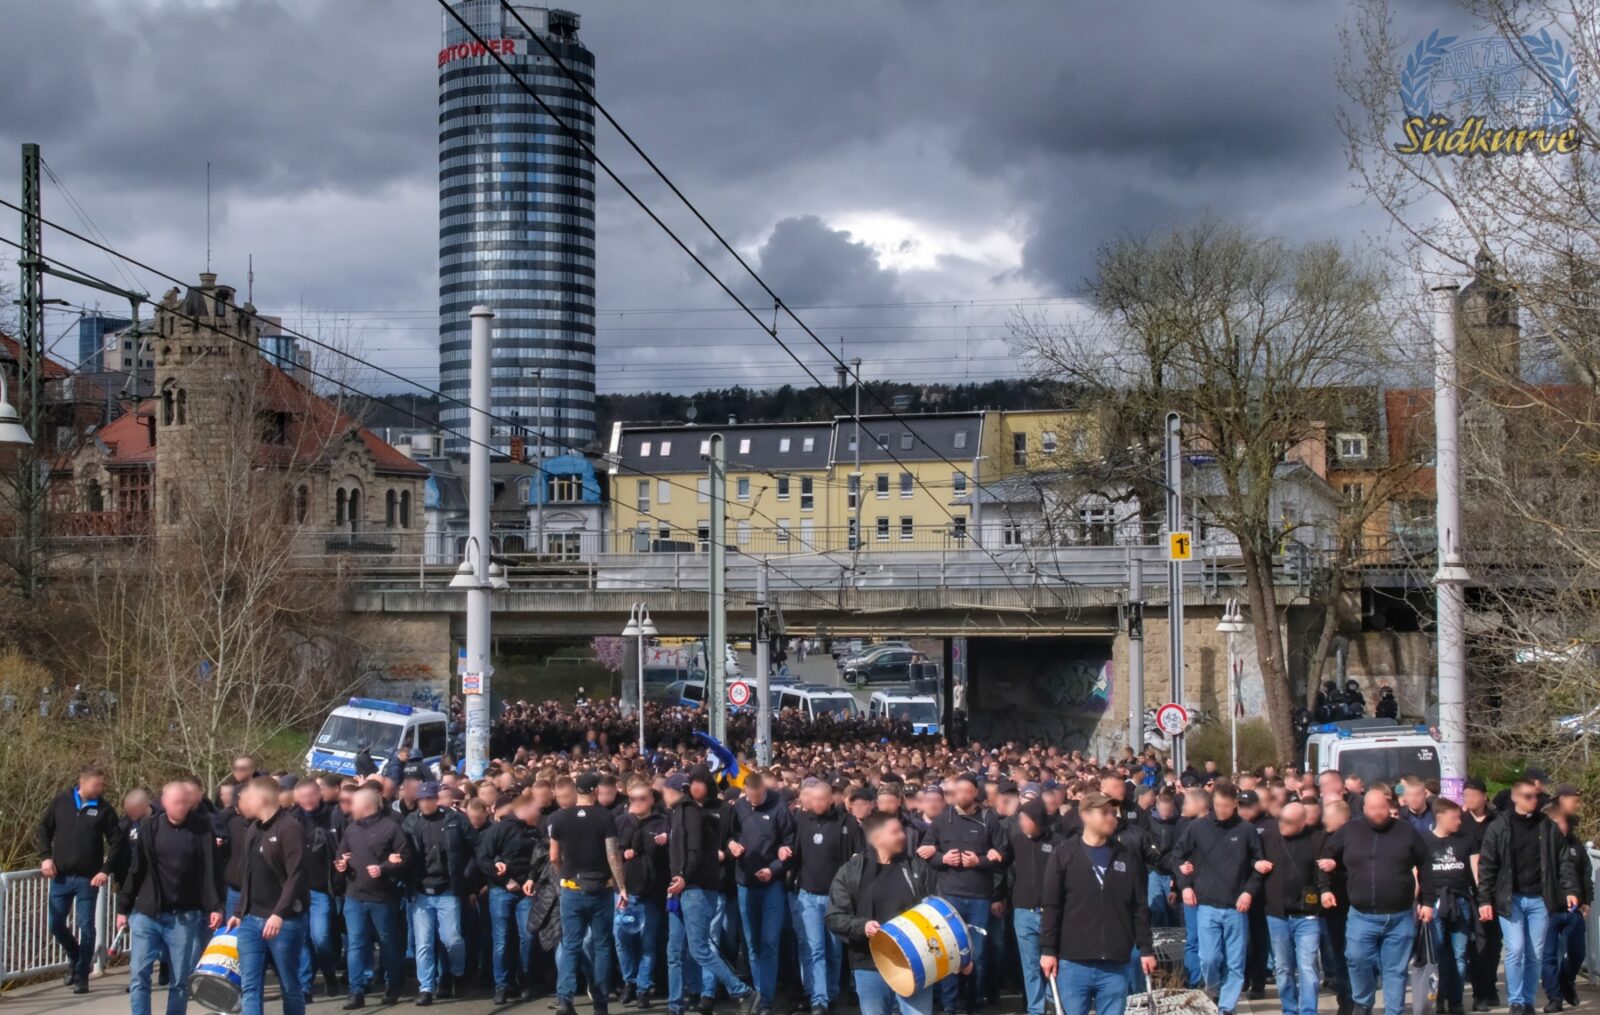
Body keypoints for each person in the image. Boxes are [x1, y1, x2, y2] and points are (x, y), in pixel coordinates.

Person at [1319, 787, 1434, 1015]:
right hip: (1362, 916)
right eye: (1373, 808)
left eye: (1382, 808)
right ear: (1364, 809)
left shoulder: (1407, 832)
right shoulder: (1350, 831)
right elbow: (1325, 858)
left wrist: (1428, 901)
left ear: (1388, 806)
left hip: (1399, 916)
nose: (1378, 813)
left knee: (1396, 970)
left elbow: (1426, 867)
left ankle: (1394, 1011)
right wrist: (1324, 888)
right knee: (1357, 959)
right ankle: (1363, 1003)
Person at [1039, 792, 1156, 1015]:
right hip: (1073, 962)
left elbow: (1139, 906)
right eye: (1104, 813)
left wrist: (1146, 949)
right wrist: (1047, 950)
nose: (1112, 818)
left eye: (1113, 813)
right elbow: (1051, 906)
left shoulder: (1126, 856)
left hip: (1115, 964)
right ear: (1085, 815)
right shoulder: (1064, 854)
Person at [117, 780, 223, 1015]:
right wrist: (123, 908)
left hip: (183, 916)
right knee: (139, 975)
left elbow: (211, 870)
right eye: (176, 803)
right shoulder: (149, 827)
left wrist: (215, 906)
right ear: (164, 803)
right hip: (148, 913)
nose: (181, 807)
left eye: (185, 803)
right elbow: (137, 869)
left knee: (179, 981)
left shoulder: (202, 829)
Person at [824, 810, 944, 1015]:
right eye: (895, 832)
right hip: (869, 964)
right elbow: (834, 917)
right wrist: (862, 926)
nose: (902, 836)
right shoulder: (852, 871)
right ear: (878, 838)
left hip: (915, 962)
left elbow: (937, 910)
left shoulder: (917, 867)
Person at [1479, 777, 1579, 1015]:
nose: (1534, 800)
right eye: (1528, 796)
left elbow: (1563, 860)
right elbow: (1487, 866)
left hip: (1539, 899)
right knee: (1515, 949)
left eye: (1535, 796)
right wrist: (1484, 900)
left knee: (1535, 953)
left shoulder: (1547, 826)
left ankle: (1526, 1001)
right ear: (1514, 798)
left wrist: (1571, 890)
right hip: (1510, 898)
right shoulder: (1499, 827)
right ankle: (1514, 1000)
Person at [670, 768, 759, 1015]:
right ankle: (690, 993)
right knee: (682, 947)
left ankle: (717, 993)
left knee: (706, 944)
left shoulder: (723, 810)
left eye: (700, 783)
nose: (696, 788)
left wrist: (727, 850)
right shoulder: (681, 812)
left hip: (711, 884)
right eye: (692, 784)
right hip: (685, 886)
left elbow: (730, 839)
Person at [925, 773, 1010, 1015]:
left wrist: (980, 861)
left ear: (975, 793)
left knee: (978, 953)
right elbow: (928, 852)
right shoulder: (943, 819)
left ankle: (974, 999)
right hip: (949, 895)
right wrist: (943, 858)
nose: (961, 795)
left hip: (979, 897)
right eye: (957, 791)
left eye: (966, 791)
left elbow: (1002, 852)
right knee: (950, 951)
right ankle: (949, 1003)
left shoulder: (988, 819)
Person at [1174, 781, 1262, 1015]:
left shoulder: (1246, 830)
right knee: (1209, 958)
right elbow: (1177, 856)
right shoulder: (1198, 827)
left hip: (1236, 906)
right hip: (1206, 904)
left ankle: (1226, 1007)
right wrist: (1185, 886)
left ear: (1235, 805)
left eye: (1227, 806)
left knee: (1235, 962)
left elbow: (1257, 865)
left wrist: (1248, 891)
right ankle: (1213, 990)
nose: (1222, 810)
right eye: (1218, 805)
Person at [36, 762, 125, 994]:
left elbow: (117, 841)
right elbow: (43, 829)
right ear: (83, 782)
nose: (100, 788)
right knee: (55, 924)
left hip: (88, 879)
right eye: (97, 784)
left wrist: (105, 870)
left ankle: (82, 974)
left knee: (86, 926)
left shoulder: (104, 809)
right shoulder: (61, 802)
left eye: (101, 784)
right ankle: (76, 958)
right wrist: (46, 857)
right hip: (61, 877)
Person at [230, 775, 310, 1015]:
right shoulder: (253, 829)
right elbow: (248, 874)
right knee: (250, 986)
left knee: (289, 984)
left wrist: (279, 913)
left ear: (261, 798)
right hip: (250, 920)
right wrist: (239, 911)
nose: (242, 803)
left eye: (246, 797)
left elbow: (296, 876)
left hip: (283, 922)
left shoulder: (290, 828)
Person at [549, 771, 627, 1015]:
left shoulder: (559, 818)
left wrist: (564, 875)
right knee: (602, 945)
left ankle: (565, 999)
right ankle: (600, 1002)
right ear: (595, 791)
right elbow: (613, 854)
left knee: (571, 945)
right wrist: (621, 886)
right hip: (600, 889)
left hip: (572, 888)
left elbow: (553, 856)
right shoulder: (605, 817)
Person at [336, 784, 412, 1009]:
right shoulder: (351, 829)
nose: (350, 808)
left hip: (382, 898)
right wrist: (341, 864)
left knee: (388, 943)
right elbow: (341, 854)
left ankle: (393, 985)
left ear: (366, 805)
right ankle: (356, 991)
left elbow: (406, 856)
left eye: (354, 803)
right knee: (356, 944)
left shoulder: (391, 827)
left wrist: (385, 868)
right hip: (354, 896)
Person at [790, 777, 861, 1015]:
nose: (817, 804)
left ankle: (831, 993)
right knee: (814, 948)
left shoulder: (847, 823)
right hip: (808, 895)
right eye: (814, 799)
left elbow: (857, 858)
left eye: (822, 799)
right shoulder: (802, 819)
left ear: (831, 798)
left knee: (833, 949)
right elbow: (796, 854)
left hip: (836, 899)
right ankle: (817, 998)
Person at [402, 780, 475, 1006]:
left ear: (436, 799)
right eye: (422, 800)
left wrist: (465, 875)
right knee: (423, 942)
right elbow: (403, 851)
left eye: (429, 799)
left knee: (452, 939)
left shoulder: (455, 820)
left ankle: (458, 974)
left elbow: (475, 847)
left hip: (448, 889)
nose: (425, 803)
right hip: (421, 890)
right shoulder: (411, 822)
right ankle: (426, 987)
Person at [729, 771, 794, 1015]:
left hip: (771, 885)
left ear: (764, 791)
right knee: (752, 943)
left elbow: (789, 843)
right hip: (745, 882)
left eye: (758, 797)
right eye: (750, 797)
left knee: (769, 942)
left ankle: (766, 998)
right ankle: (756, 993)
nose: (754, 801)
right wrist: (731, 844)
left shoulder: (779, 808)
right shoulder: (739, 807)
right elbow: (730, 834)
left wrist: (774, 868)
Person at [1256, 801, 1325, 1015]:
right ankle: (1289, 1009)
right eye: (1281, 820)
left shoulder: (1315, 839)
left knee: (1307, 967)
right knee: (1284, 968)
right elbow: (1251, 857)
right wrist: (1256, 863)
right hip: (1277, 915)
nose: (1282, 825)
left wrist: (1326, 888)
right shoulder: (1267, 837)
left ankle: (1308, 1011)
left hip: (1307, 916)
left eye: (1288, 822)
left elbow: (1322, 870)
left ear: (1302, 823)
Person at [477, 792, 545, 1004]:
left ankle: (524, 980)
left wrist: (531, 879)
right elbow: (483, 858)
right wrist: (505, 880)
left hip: (526, 891)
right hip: (501, 891)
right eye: (535, 809)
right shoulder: (499, 830)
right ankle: (502, 985)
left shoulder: (535, 832)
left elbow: (540, 861)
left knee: (528, 936)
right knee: (502, 940)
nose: (539, 813)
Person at [1422, 798, 1479, 1015]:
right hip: (1434, 903)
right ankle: (1437, 999)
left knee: (1459, 954)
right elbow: (1416, 872)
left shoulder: (1467, 840)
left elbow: (1476, 872)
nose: (1459, 821)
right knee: (1436, 955)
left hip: (1461, 901)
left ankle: (1456, 1001)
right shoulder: (1424, 841)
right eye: (1454, 817)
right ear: (1440, 817)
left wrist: (1483, 900)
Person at [290, 778, 345, 1001]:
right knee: (303, 940)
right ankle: (305, 986)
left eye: (311, 796)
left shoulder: (333, 815)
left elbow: (343, 844)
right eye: (303, 797)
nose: (307, 801)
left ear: (319, 794)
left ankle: (329, 972)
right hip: (298, 891)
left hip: (323, 890)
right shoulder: (291, 819)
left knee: (320, 938)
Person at [615, 779, 668, 1008]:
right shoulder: (621, 822)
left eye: (641, 798)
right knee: (623, 940)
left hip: (651, 893)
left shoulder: (663, 823)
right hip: (627, 893)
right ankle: (630, 981)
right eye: (632, 799)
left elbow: (662, 856)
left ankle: (644, 988)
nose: (636, 803)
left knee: (648, 943)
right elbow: (612, 852)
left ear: (651, 800)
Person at [1008, 797, 1060, 1015]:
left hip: (1051, 912)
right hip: (1023, 912)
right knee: (1030, 967)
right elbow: (1005, 868)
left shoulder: (1059, 843)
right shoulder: (1015, 840)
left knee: (1055, 965)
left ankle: (1051, 1000)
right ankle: (1035, 1009)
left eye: (1025, 819)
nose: (1021, 823)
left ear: (1037, 820)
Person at [1541, 788, 1591, 1013]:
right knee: (1549, 955)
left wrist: (1586, 900)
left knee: (1577, 953)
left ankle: (1566, 980)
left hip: (1573, 910)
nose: (1562, 827)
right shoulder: (1540, 847)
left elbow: (1585, 873)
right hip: (1548, 909)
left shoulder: (1575, 845)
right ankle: (1554, 997)